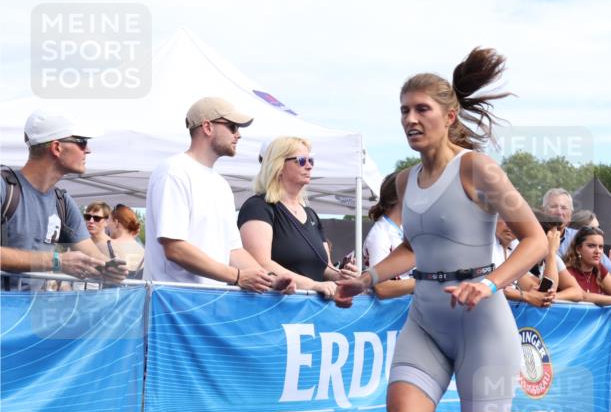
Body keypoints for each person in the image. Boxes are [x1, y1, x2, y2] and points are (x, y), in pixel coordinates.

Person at [334, 48, 581, 412]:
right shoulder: (405, 180)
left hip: (482, 321)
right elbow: (412, 247)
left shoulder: (477, 170)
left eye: (421, 109)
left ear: (448, 116)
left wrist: (490, 283)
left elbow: (533, 240)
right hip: (425, 317)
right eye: (403, 110)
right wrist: (366, 279)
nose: (410, 119)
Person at [144, 97, 292, 294]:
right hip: (172, 302)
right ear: (207, 127)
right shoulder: (174, 172)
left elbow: (233, 250)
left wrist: (270, 279)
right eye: (232, 127)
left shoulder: (221, 185)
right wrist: (238, 276)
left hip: (210, 301)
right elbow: (175, 248)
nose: (238, 135)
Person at [1, 108, 126, 289]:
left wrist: (109, 268)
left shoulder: (62, 202)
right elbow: (58, 261)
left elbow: (91, 254)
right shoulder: (5, 187)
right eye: (82, 142)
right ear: (57, 148)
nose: (88, 150)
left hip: (32, 307)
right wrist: (56, 261)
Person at [238, 136, 357, 299]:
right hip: (273, 306)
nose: (309, 166)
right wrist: (312, 285)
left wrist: (342, 275)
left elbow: (325, 267)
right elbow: (260, 263)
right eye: (301, 160)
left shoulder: (311, 214)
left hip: (311, 307)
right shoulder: (258, 207)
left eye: (311, 160)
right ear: (279, 166)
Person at [563, 226, 611, 309]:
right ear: (578, 249)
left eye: (600, 247)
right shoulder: (568, 271)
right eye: (591, 246)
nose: (597, 251)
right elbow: (583, 296)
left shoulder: (599, 269)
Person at [363, 172, 414, 299]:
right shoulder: (380, 234)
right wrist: (425, 282)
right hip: (387, 309)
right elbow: (381, 288)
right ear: (399, 196)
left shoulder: (402, 229)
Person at [108, 204, 145, 279]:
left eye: (109, 221)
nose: (107, 225)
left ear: (116, 222)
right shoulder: (144, 249)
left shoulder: (107, 245)